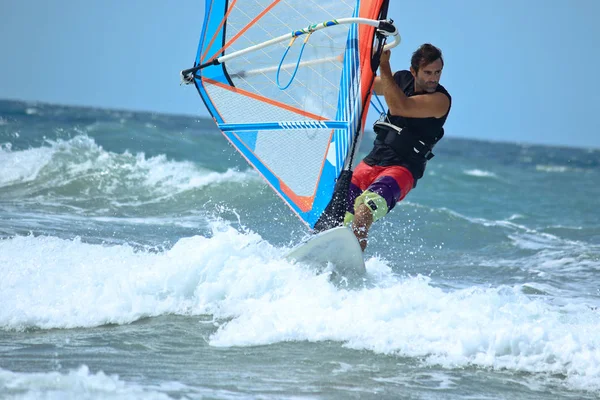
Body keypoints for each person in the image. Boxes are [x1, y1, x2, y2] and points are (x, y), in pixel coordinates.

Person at [344, 43, 452, 251]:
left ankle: (353, 264)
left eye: (437, 72)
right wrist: (349, 59)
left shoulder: (440, 100)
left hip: (402, 169)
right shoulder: (401, 79)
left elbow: (399, 106)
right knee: (337, 209)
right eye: (428, 72)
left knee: (364, 212)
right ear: (413, 71)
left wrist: (384, 66)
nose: (433, 78)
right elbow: (366, 84)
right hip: (373, 160)